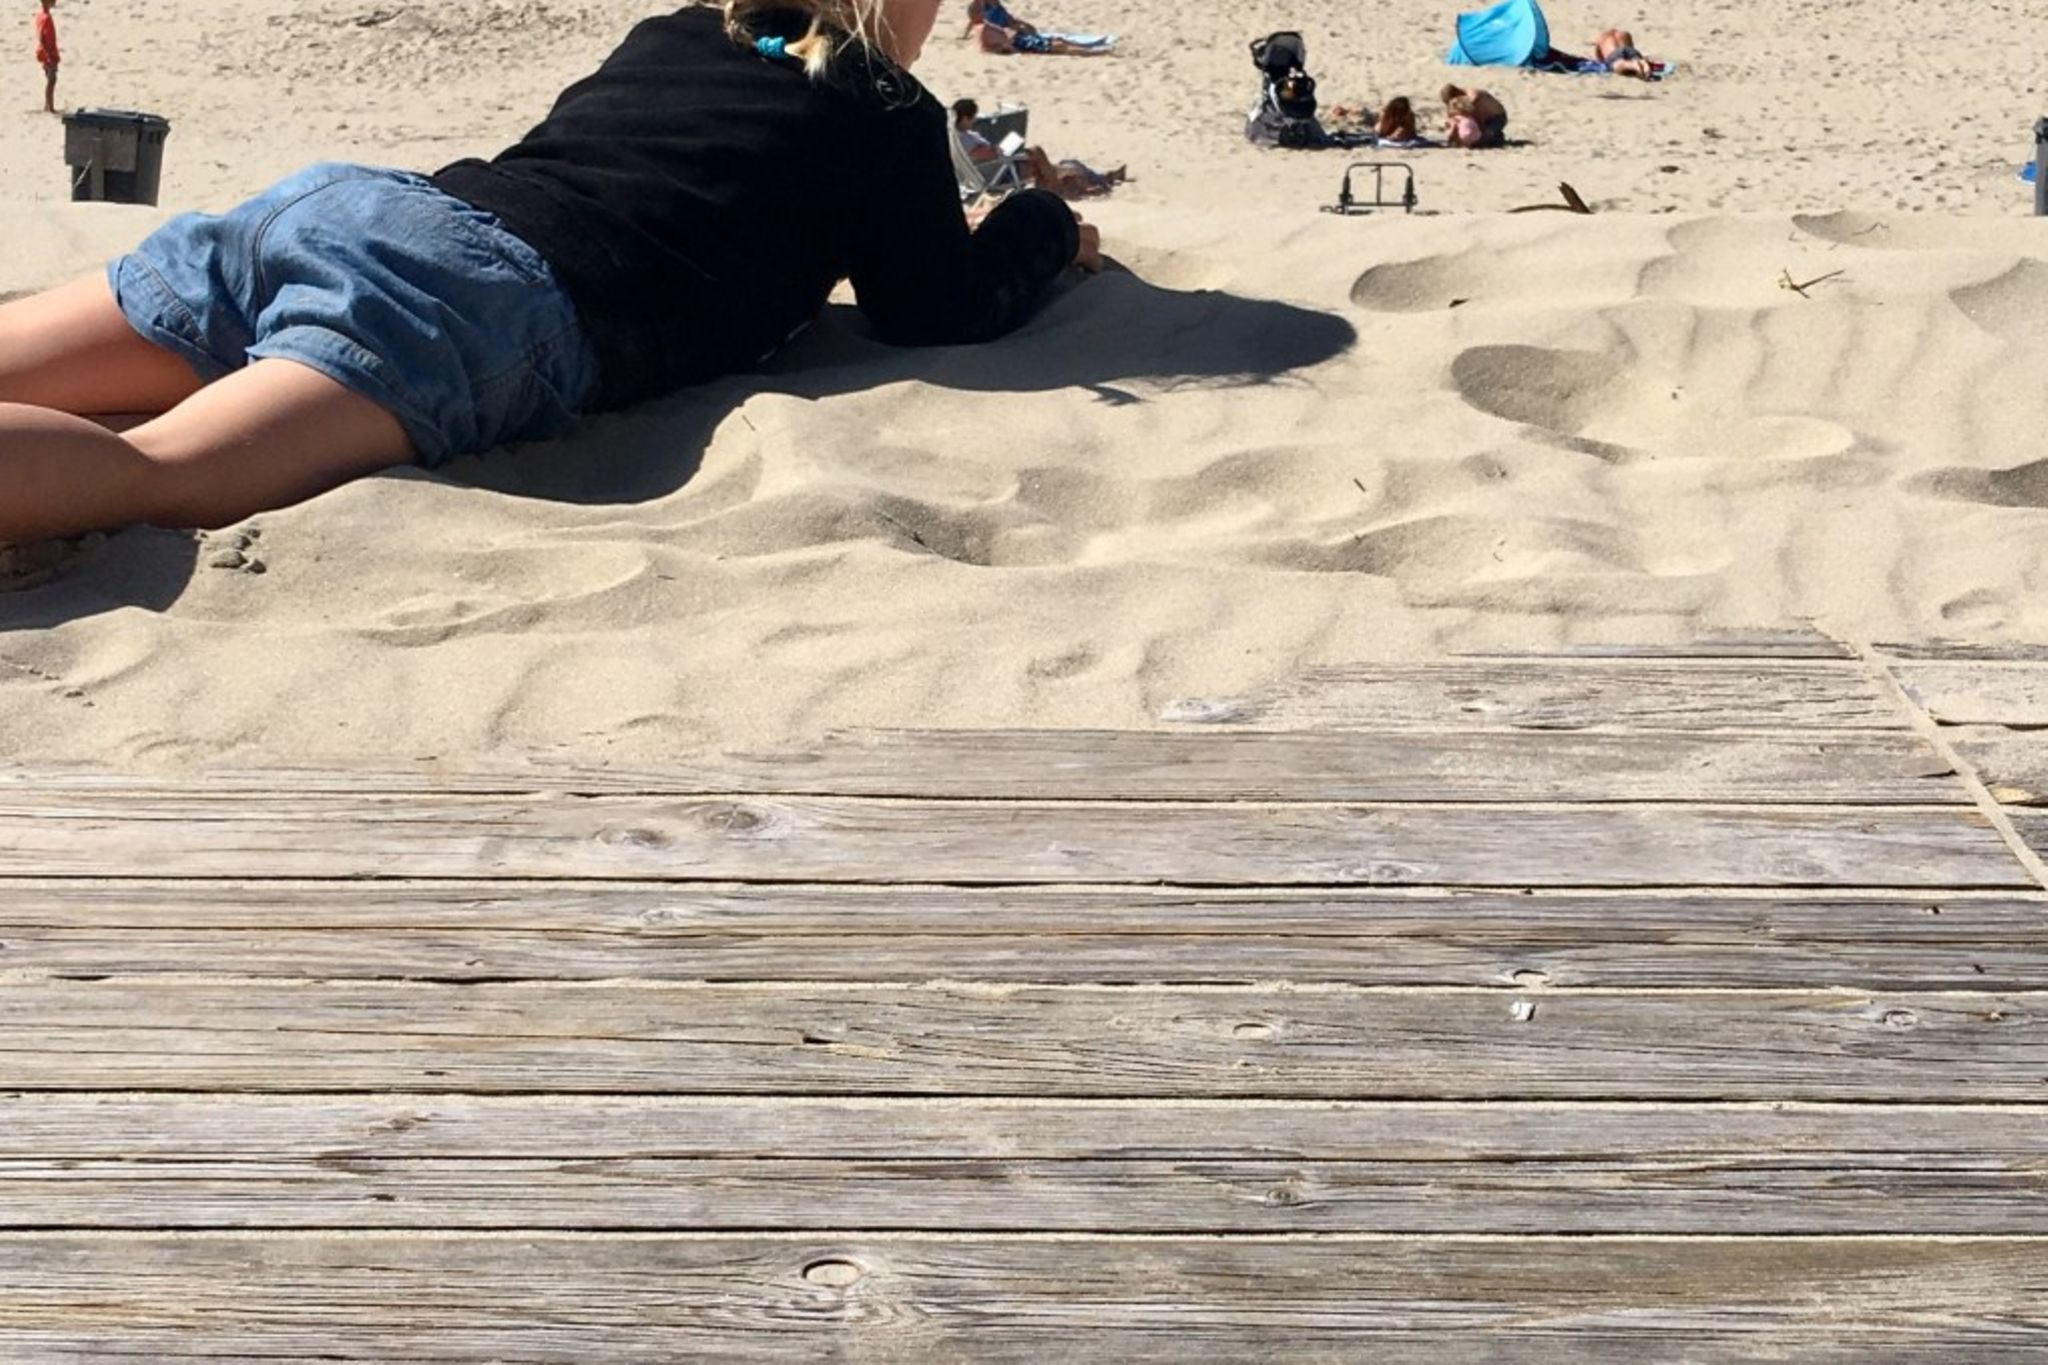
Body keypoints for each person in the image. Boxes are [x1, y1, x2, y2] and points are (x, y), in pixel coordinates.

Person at [0, 0, 1099, 548]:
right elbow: (934, 310)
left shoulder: (674, 31)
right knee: (154, 471)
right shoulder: (884, 104)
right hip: (484, 297)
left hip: (355, 207)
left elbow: (696, 161)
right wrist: (1045, 224)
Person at [952, 97, 1124, 199]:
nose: (974, 121)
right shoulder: (963, 138)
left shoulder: (956, 135)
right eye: (972, 118)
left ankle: (1099, 180)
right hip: (999, 172)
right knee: (1040, 156)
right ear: (965, 118)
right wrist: (1000, 149)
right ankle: (1091, 183)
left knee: (1061, 166)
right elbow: (984, 154)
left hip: (999, 168)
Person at [964, 0, 1104, 55]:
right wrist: (1012, 48)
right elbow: (976, 23)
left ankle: (1088, 47)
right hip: (1016, 40)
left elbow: (1009, 19)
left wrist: (1022, 25)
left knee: (1058, 40)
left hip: (1017, 35)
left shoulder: (996, 7)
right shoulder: (983, 11)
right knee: (1058, 45)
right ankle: (1090, 51)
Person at [1440, 83, 1507, 148]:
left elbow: (1479, 116)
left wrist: (1482, 132)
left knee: (1479, 140)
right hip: (1483, 118)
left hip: (1496, 118)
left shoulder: (1473, 98)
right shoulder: (1463, 98)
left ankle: (1496, 137)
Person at [33, 0, 57, 115]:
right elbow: (43, 36)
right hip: (49, 53)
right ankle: (49, 106)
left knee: (50, 78)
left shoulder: (41, 15)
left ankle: (48, 105)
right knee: (52, 79)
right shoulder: (46, 17)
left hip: (46, 52)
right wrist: (48, 55)